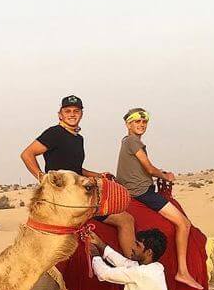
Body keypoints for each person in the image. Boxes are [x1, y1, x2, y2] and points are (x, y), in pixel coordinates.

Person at [21, 95, 135, 257]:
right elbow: (27, 154)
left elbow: (76, 169)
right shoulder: (55, 133)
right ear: (60, 115)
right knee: (125, 220)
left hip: (77, 192)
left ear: (81, 114)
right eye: (67, 111)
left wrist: (99, 175)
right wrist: (43, 179)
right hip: (64, 197)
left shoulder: (78, 138)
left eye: (76, 111)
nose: (72, 114)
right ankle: (132, 264)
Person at [115, 108, 203, 290]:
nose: (141, 125)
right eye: (137, 122)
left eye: (144, 122)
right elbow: (149, 168)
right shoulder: (133, 141)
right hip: (142, 192)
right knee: (184, 224)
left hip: (137, 190)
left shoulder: (127, 142)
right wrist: (165, 176)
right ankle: (183, 271)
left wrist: (159, 173)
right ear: (128, 124)